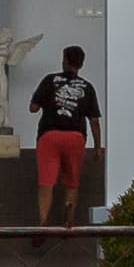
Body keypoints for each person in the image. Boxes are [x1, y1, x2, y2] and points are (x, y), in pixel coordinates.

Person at [29, 46, 101, 226]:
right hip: (75, 137)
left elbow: (33, 108)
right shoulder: (88, 87)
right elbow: (94, 120)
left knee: (46, 181)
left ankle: (43, 222)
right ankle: (68, 222)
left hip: (49, 136)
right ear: (81, 64)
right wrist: (98, 148)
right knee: (72, 182)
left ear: (64, 61)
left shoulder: (49, 80)